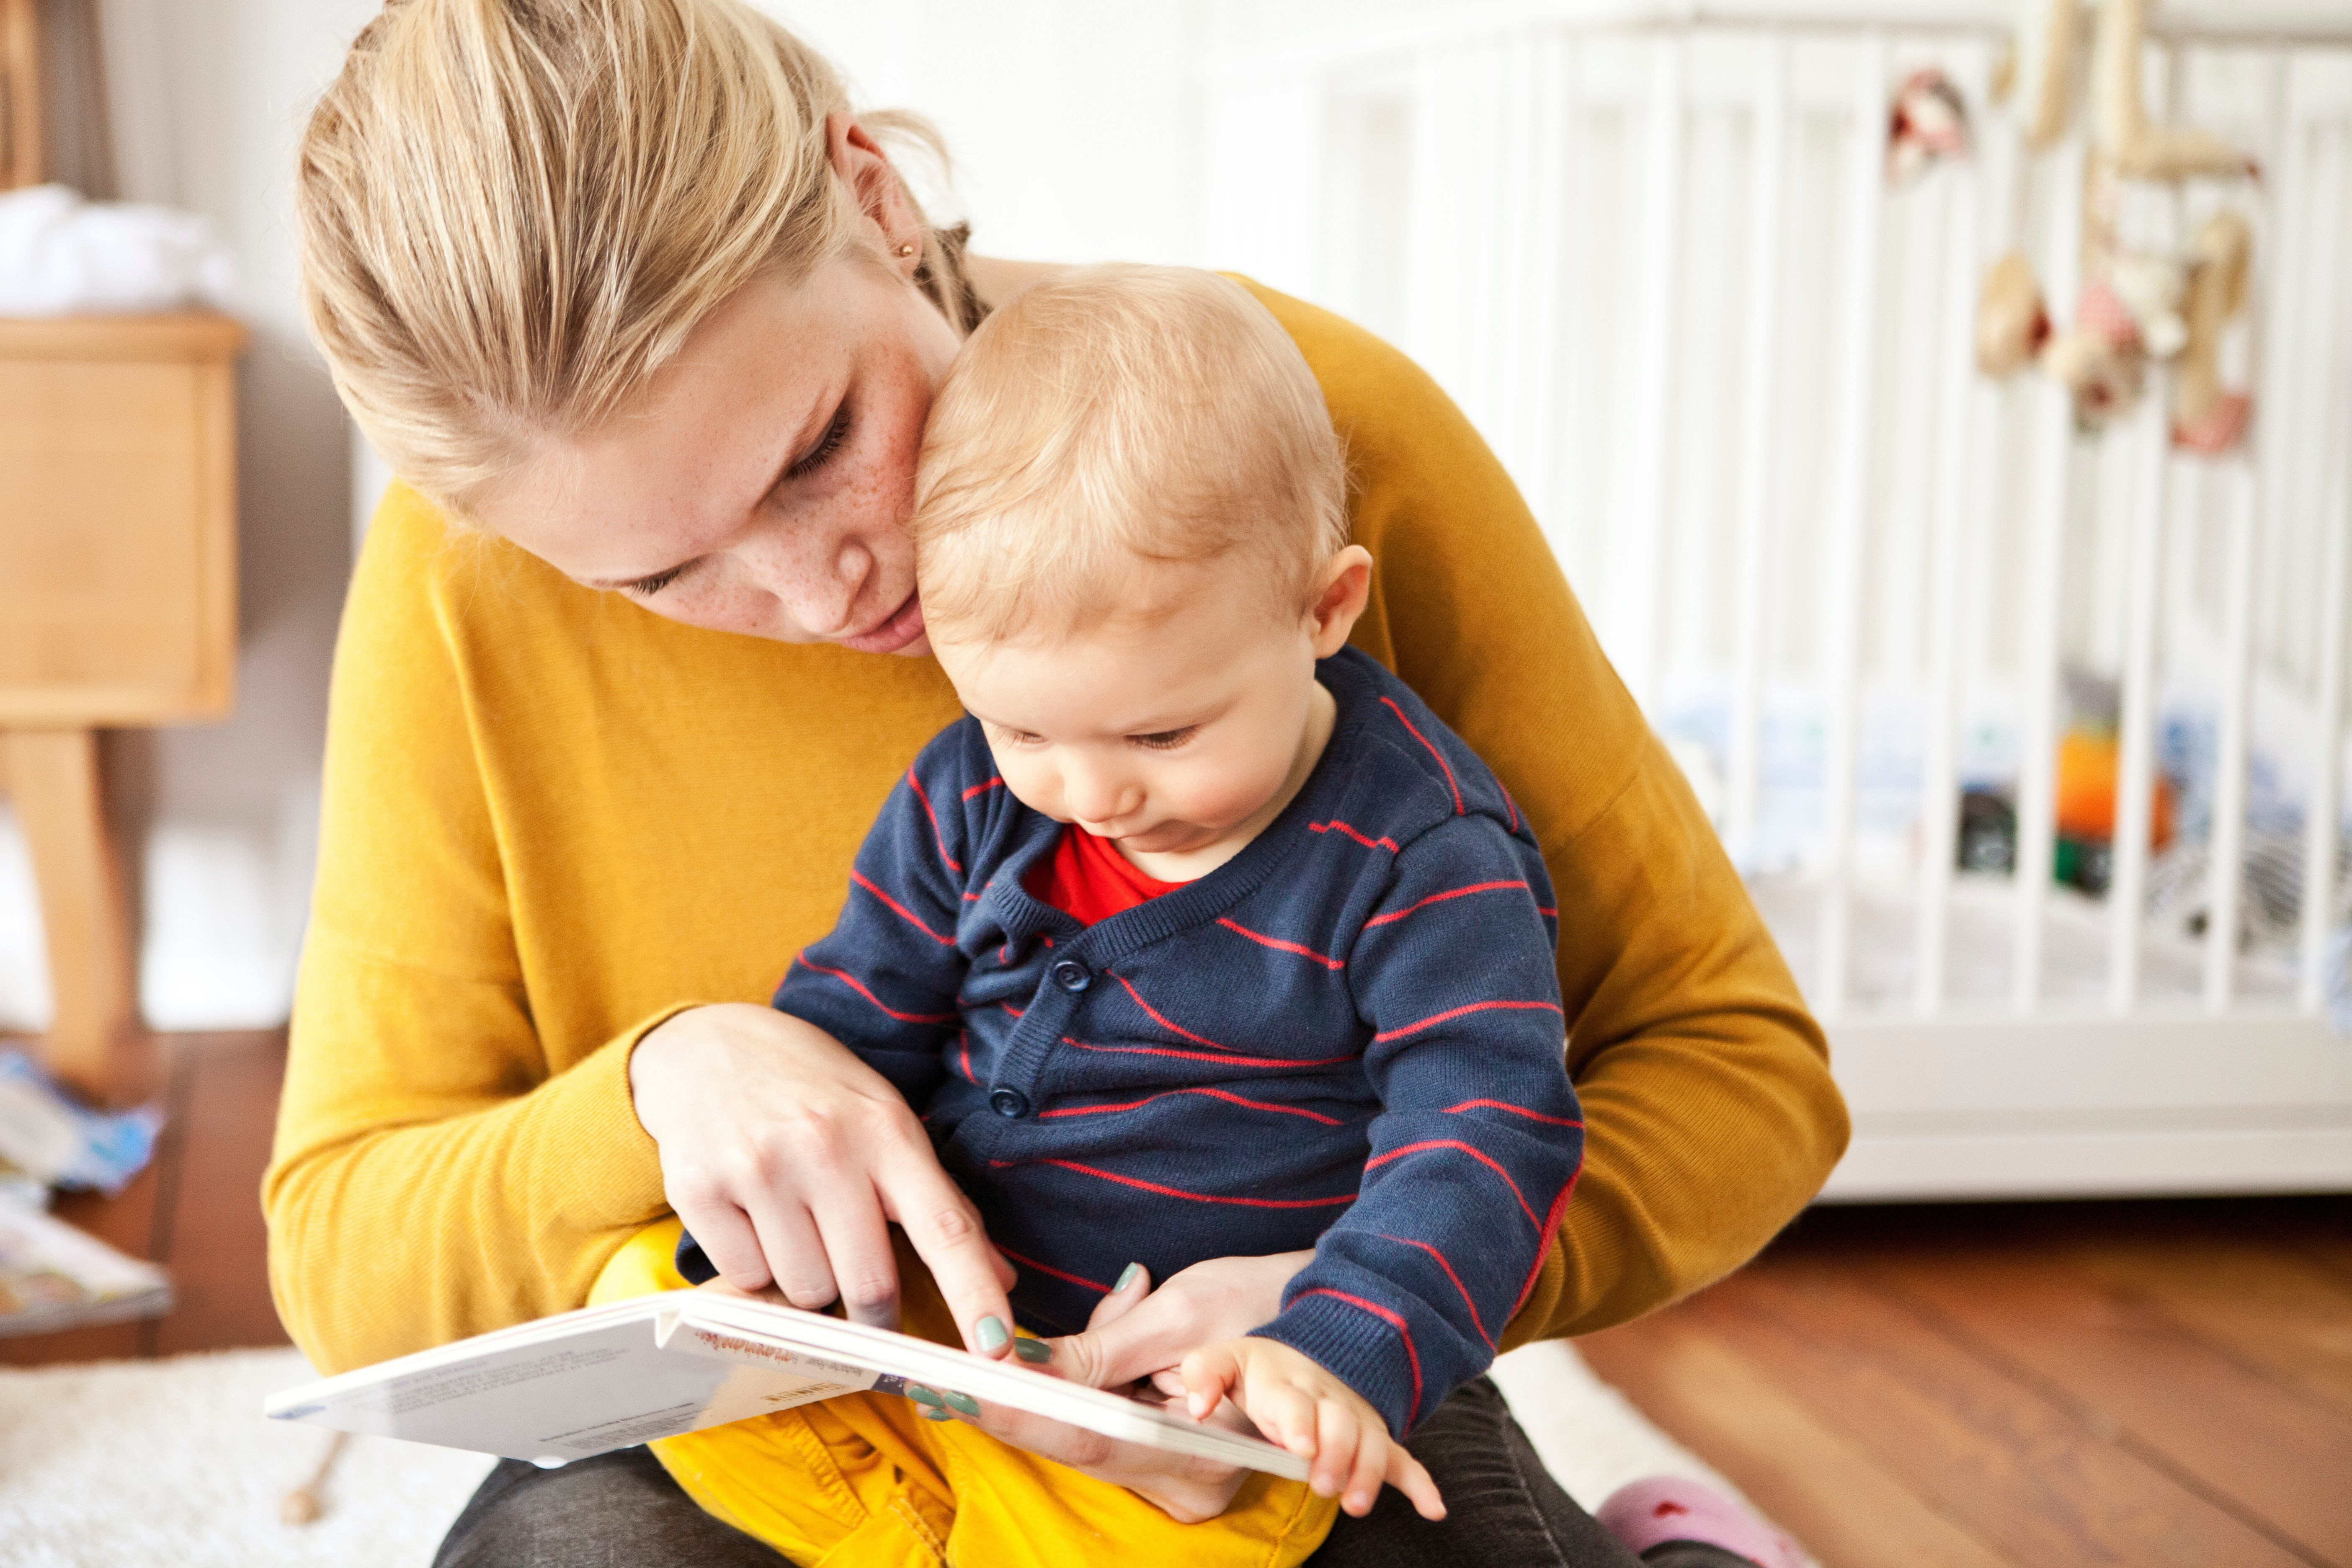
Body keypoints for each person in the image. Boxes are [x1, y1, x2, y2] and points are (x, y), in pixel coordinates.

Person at [275, 1, 1849, 1563]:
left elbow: (1738, 1072)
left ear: (872, 192)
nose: (821, 597)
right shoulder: (464, 581)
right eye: (667, 574)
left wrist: (1353, 1291)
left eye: (820, 445)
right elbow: (344, 1250)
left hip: (1262, 1379)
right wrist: (659, 1088)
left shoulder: (1291, 439)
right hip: (826, 1413)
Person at [635, 263, 1582, 1561]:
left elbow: (1487, 1130)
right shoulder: (971, 790)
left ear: (1325, 607)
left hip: (1205, 1384)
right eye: (1021, 724)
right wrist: (763, 1243)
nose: (1086, 791)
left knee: (1231, 1523)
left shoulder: (1419, 855)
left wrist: (1343, 1339)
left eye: (1161, 731)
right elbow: (856, 1013)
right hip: (962, 1331)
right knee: (647, 1330)